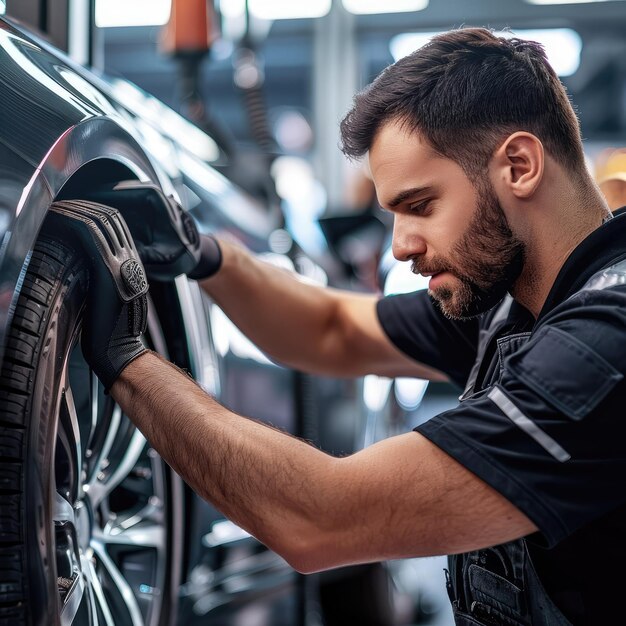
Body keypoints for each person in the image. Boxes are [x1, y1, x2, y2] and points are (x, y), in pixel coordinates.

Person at [53, 28, 626, 625]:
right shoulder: (515, 301)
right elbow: (330, 328)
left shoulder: (607, 340)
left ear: (519, 165)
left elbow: (321, 518)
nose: (401, 247)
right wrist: (202, 253)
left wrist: (126, 360)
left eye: (421, 205)